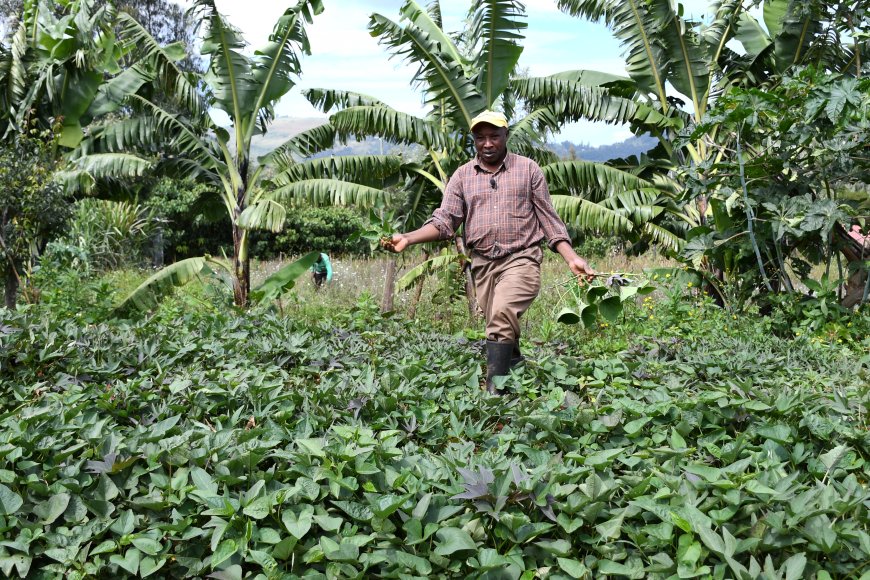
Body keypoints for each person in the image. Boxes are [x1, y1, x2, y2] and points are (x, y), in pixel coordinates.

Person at [382, 110, 594, 392]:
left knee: (503, 312)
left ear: (506, 136)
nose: (488, 143)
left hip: (522, 259)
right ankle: (520, 381)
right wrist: (408, 238)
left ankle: (494, 394)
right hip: (483, 264)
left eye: (494, 136)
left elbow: (548, 219)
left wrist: (571, 257)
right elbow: (445, 221)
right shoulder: (462, 177)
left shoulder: (528, 169)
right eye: (480, 138)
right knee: (501, 324)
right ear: (474, 140)